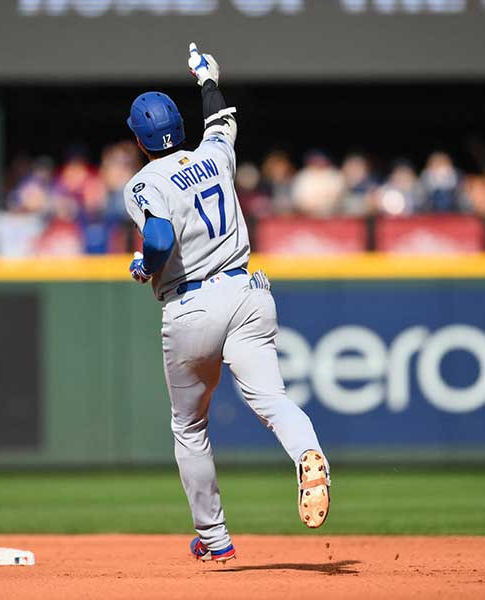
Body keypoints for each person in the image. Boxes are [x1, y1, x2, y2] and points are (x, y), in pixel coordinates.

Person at [123, 44, 330, 564]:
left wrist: (146, 265)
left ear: (138, 138)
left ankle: (215, 540)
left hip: (192, 305)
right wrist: (206, 79)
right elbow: (220, 120)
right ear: (176, 127)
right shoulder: (215, 153)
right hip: (247, 291)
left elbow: (161, 237)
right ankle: (308, 453)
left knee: (189, 427)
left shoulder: (143, 182)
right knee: (272, 398)